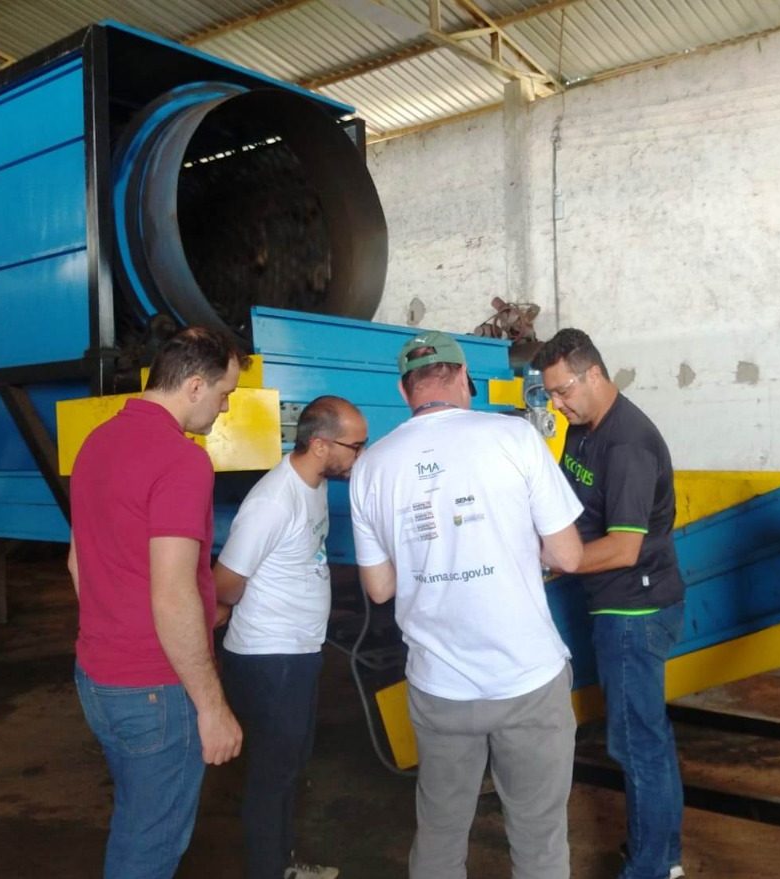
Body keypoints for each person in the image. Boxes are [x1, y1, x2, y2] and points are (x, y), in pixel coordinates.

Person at [348, 330, 585, 879]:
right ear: (461, 378)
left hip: (440, 686)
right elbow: (568, 556)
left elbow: (380, 589)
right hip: (526, 677)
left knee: (440, 830)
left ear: (407, 391)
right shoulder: (515, 438)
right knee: (538, 836)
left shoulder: (371, 468)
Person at [68, 326, 248, 878]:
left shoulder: (96, 442)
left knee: (136, 820)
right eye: (224, 393)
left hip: (97, 678)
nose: (224, 407)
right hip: (154, 690)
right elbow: (171, 594)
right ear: (194, 386)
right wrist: (212, 708)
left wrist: (117, 628)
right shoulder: (181, 459)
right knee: (151, 845)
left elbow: (78, 564)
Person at [531, 329, 687, 879]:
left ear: (594, 374)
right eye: (549, 393)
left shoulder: (627, 444)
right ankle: (662, 859)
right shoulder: (583, 427)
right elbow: (572, 509)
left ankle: (649, 868)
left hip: (634, 614)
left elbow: (623, 548)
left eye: (563, 390)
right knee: (644, 738)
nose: (557, 403)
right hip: (613, 605)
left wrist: (554, 561)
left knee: (636, 746)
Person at [214, 396, 368, 879]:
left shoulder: (314, 484)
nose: (360, 455)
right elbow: (225, 581)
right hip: (269, 658)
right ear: (321, 445)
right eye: (355, 446)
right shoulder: (273, 501)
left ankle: (282, 864)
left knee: (289, 767)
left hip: (297, 652)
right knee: (272, 777)